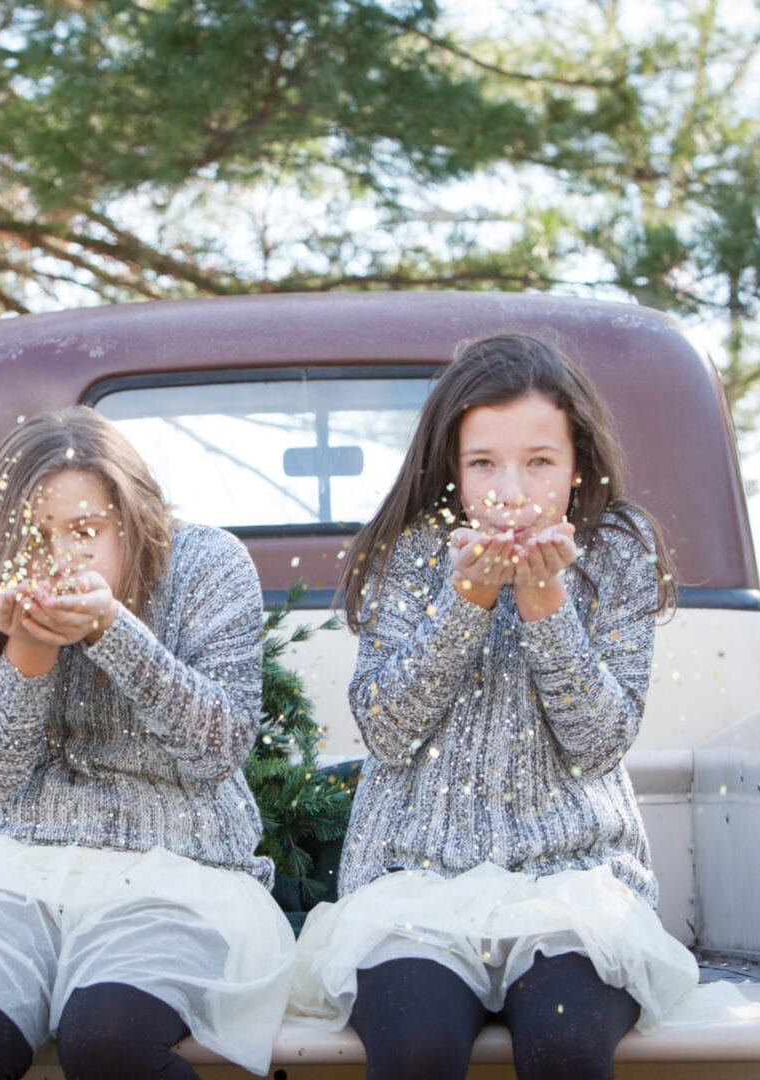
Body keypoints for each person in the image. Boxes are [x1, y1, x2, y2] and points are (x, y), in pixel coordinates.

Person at [289, 333, 697, 1080]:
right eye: (484, 464)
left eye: (540, 461)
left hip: (575, 878)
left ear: (579, 467)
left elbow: (601, 740)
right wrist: (467, 599)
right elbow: (385, 726)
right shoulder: (414, 550)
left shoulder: (615, 552)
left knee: (567, 1044)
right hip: (414, 881)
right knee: (415, 1048)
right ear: (451, 468)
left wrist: (547, 606)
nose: (512, 490)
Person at [0, 406, 295, 1080]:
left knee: (109, 1040)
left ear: (130, 522)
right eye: (36, 536)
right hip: (12, 868)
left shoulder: (207, 564)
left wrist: (113, 632)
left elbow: (220, 747)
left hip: (179, 872)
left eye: (85, 531)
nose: (60, 557)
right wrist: (28, 650)